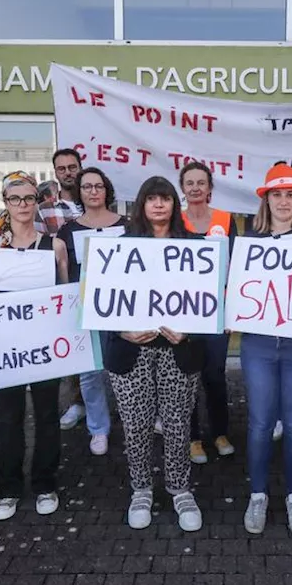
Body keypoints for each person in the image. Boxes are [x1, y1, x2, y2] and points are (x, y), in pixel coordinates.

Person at [103, 176, 206, 532]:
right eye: (152, 199)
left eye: (165, 199)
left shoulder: (196, 247)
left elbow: (209, 302)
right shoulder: (118, 248)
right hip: (131, 351)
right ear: (141, 205)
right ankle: (141, 490)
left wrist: (191, 327)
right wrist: (121, 330)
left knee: (178, 424)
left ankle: (180, 489)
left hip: (179, 350)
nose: (159, 205)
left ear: (175, 205)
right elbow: (99, 302)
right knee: (136, 426)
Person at [0, 172, 71, 520]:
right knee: (10, 417)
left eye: (29, 198)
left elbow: (65, 295)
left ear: (38, 202)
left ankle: (45, 484)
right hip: (5, 348)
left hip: (43, 347)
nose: (23, 205)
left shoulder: (54, 245)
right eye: (15, 199)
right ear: (5, 202)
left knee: (46, 415)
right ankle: (9, 488)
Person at [241, 164, 292, 537]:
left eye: (291, 194)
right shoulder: (247, 243)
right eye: (277, 194)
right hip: (258, 344)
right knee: (259, 423)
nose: (284, 201)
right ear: (266, 199)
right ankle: (258, 494)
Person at [54, 167, 124, 453]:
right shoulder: (68, 230)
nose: (93, 191)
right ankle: (99, 428)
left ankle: (138, 419)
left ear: (107, 189)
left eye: (98, 186)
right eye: (87, 187)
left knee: (127, 369)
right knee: (90, 372)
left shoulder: (128, 225)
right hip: (85, 309)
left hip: (124, 307)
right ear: (79, 192)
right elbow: (64, 272)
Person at [179, 161, 237, 464]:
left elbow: (236, 268)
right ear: (183, 188)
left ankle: (220, 433)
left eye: (201, 182)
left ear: (210, 188)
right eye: (190, 183)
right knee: (188, 376)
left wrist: (231, 313)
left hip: (216, 312)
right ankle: (193, 439)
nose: (196, 188)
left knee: (215, 375)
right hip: (184, 312)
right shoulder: (175, 220)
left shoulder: (226, 220)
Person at [45, 149, 88, 426]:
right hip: (67, 282)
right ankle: (76, 402)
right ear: (55, 173)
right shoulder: (44, 208)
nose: (68, 172)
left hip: (99, 283)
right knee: (75, 350)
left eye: (72, 167)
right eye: (62, 169)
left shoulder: (96, 200)